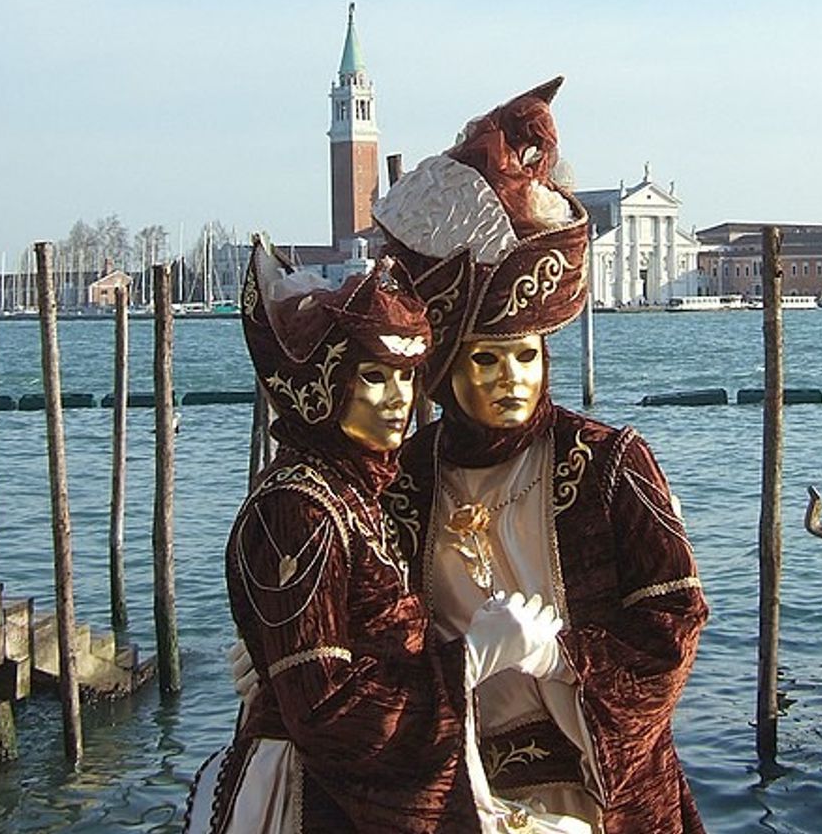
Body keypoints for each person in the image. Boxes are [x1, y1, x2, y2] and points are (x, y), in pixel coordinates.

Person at [372, 78, 709, 834]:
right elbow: (377, 635)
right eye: (485, 361)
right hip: (463, 787)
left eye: (524, 356)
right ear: (445, 372)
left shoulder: (609, 462)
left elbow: (673, 620)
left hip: (602, 792)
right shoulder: (404, 481)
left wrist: (564, 660)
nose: (511, 380)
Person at [186, 238, 590, 834]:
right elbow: (324, 709)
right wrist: (469, 661)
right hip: (317, 798)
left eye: (408, 376)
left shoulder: (355, 494)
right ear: (323, 387)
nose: (401, 400)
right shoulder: (298, 508)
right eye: (374, 376)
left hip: (362, 787)